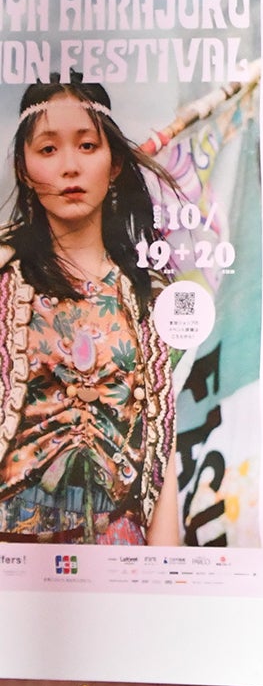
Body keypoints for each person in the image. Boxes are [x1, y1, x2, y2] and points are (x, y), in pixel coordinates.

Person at [0, 78, 179, 545]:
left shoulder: (150, 296)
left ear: (114, 163)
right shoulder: (5, 284)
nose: (70, 167)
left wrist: (163, 571)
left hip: (119, 544)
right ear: (23, 168)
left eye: (87, 145)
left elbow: (164, 451)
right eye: (48, 149)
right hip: (13, 550)